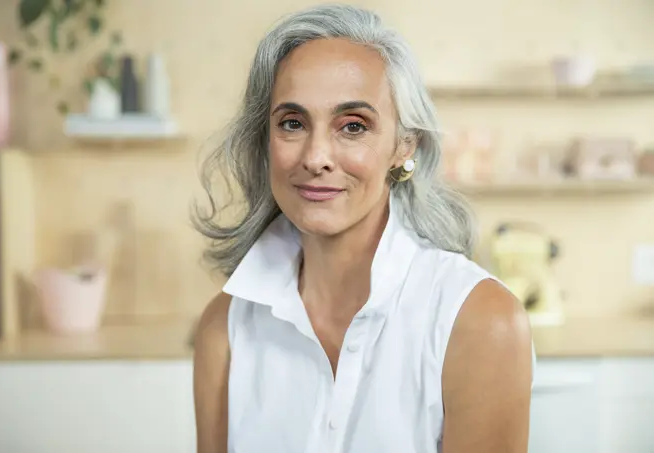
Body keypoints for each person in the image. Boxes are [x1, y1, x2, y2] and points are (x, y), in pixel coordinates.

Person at [192, 4, 534, 453]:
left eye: (353, 126)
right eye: (292, 123)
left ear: (403, 144)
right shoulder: (226, 327)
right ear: (265, 140)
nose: (316, 157)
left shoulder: (478, 321)